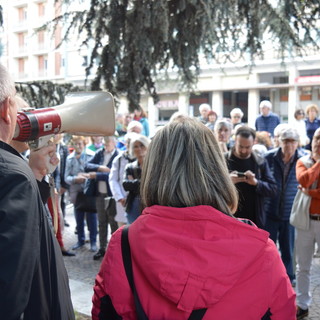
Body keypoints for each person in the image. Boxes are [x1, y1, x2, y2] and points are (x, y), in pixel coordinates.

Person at [92, 117, 296, 319]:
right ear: (218, 170)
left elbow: (104, 312)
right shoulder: (261, 252)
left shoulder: (124, 243)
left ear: (153, 171)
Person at [0, 64, 74, 319]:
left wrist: (35, 174)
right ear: (5, 110)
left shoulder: (17, 174)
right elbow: (11, 289)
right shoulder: (13, 176)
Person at [264, 127, 304, 285]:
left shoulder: (302, 161)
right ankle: (267, 275)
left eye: (292, 141)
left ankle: (289, 277)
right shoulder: (268, 158)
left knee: (288, 249)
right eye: (285, 141)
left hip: (290, 213)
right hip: (270, 211)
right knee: (268, 248)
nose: (289, 144)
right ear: (279, 141)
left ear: (297, 143)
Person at [225, 126, 277, 228]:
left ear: (254, 143)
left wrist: (256, 183)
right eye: (240, 146)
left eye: (248, 147)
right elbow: (210, 189)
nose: (243, 150)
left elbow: (273, 189)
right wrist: (227, 182)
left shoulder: (260, 162)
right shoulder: (223, 160)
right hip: (228, 217)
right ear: (235, 141)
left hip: (254, 219)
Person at [295, 127, 320, 319]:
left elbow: (307, 188)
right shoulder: (302, 161)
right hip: (305, 222)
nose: (319, 142)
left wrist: (310, 193)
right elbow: (304, 179)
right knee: (303, 266)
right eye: (317, 138)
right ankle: (302, 305)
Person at [85, 136, 119, 260]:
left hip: (111, 195)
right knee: (102, 222)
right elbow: (87, 165)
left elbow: (113, 175)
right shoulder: (100, 153)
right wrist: (100, 168)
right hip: (99, 193)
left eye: (108, 143)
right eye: (104, 144)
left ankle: (115, 249)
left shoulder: (117, 156)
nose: (105, 146)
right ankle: (102, 248)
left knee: (113, 222)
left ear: (114, 143)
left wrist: (97, 175)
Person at [65, 135, 97, 251]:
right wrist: (75, 179)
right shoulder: (69, 158)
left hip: (89, 192)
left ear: (84, 144)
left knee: (92, 218)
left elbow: (95, 174)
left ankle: (93, 241)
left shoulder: (92, 155)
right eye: (76, 144)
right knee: (78, 218)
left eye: (80, 144)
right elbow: (66, 177)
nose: (78, 146)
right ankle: (80, 240)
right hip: (77, 193)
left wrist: (86, 177)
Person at [109, 133, 136, 227]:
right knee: (123, 230)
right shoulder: (119, 159)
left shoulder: (142, 159)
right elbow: (113, 180)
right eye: (129, 143)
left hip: (136, 201)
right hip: (122, 200)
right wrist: (119, 197)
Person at [123, 134, 150, 224]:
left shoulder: (155, 166)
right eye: (135, 146)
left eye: (142, 145)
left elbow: (154, 184)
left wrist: (133, 183)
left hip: (150, 204)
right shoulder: (130, 167)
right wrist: (145, 182)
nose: (139, 148)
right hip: (133, 205)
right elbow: (126, 185)